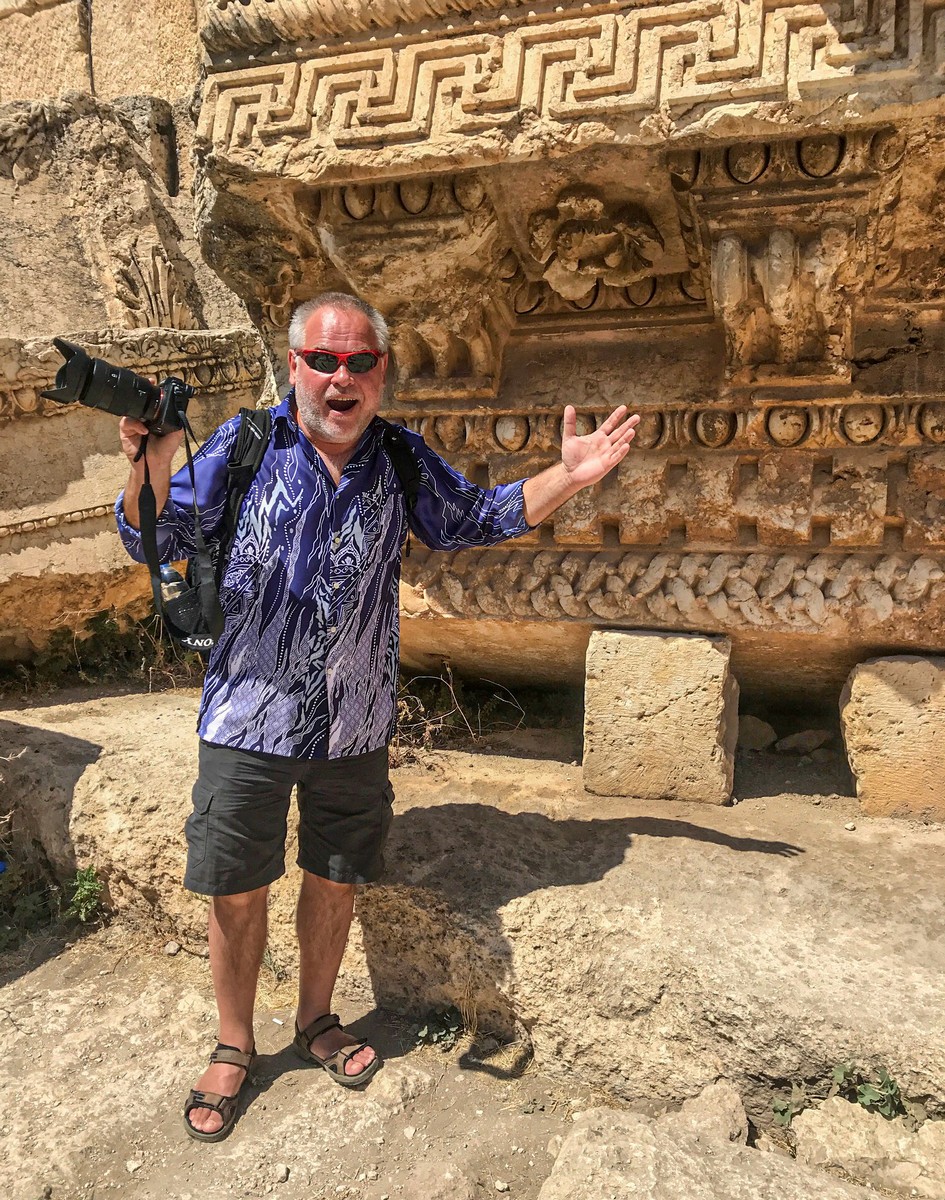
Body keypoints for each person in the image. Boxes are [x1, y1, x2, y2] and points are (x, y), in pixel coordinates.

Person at [115, 292, 639, 1141]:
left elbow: (474, 518)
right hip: (246, 719)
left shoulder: (398, 458)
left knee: (333, 875)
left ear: (383, 372)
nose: (341, 376)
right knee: (238, 886)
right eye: (323, 360)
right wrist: (151, 460)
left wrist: (570, 476)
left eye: (360, 360)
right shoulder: (245, 445)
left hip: (352, 724)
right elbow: (150, 538)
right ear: (294, 366)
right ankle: (234, 1041)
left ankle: (315, 1017)